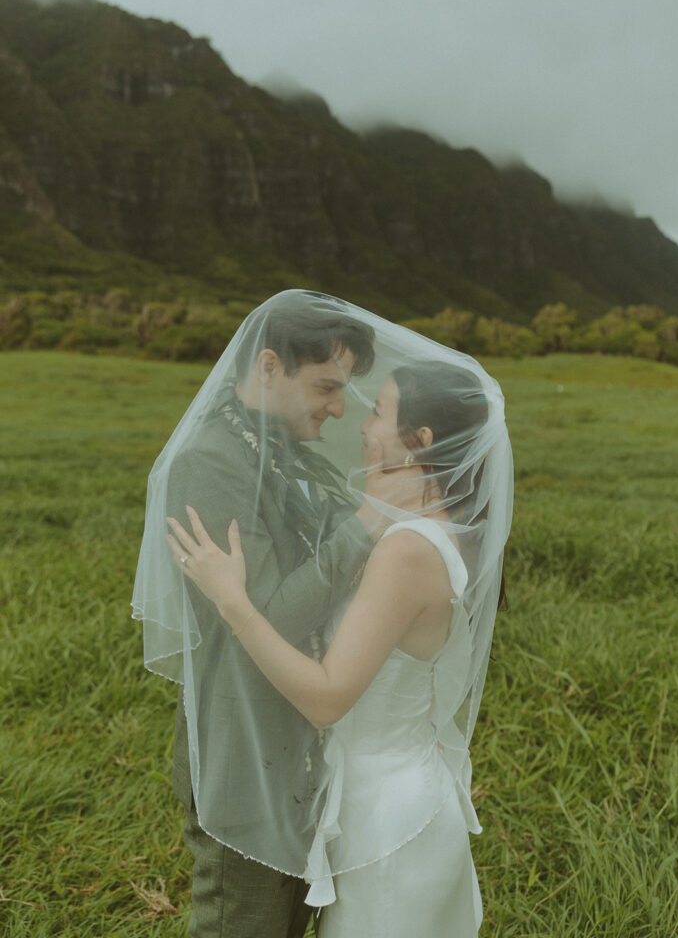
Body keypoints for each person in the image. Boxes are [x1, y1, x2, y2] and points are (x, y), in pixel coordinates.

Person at [165, 340, 514, 937]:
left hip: (386, 817)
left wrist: (234, 602)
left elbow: (328, 698)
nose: (360, 423)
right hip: (386, 794)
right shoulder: (435, 528)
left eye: (378, 411)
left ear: (421, 440)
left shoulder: (407, 550)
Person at [133, 291, 401, 938]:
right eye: (326, 386)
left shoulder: (274, 447)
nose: (339, 408)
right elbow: (269, 616)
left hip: (296, 745)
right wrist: (368, 520)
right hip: (246, 755)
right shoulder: (209, 463)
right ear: (269, 367)